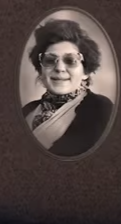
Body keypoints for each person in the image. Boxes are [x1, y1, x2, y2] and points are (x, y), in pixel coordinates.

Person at [22, 18, 113, 157]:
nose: (59, 68)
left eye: (71, 60)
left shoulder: (101, 110)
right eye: (50, 60)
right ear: (41, 70)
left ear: (85, 72)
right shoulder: (26, 111)